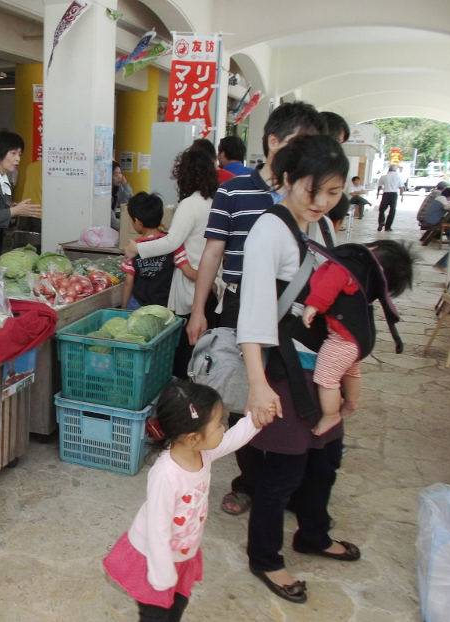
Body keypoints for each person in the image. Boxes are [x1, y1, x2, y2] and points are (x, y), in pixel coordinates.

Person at [184, 101, 327, 516]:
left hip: (296, 313)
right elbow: (213, 253)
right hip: (238, 304)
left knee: (292, 392)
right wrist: (199, 310)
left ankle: (284, 478)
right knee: (244, 391)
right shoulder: (233, 190)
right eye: (299, 143)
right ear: (274, 142)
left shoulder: (309, 194)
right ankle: (248, 481)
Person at [238, 134, 361, 605]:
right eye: (314, 190)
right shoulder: (268, 230)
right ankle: (265, 557)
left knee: (325, 460)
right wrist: (257, 383)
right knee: (284, 470)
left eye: (333, 192)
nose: (322, 202)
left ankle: (313, 534)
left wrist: (348, 369)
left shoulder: (323, 226)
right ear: (288, 178)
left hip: (321, 367)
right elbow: (253, 313)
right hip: (285, 371)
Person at [102, 380, 274, 622]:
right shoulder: (166, 475)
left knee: (178, 606)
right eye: (218, 424)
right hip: (154, 559)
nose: (224, 428)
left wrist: (256, 420)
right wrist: (162, 576)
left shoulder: (202, 453)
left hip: (182, 554)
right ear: (193, 438)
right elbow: (157, 529)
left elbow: (232, 438)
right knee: (156, 615)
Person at [303, 240, 415, 436]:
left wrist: (314, 305)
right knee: (351, 370)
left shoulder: (348, 267)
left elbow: (329, 284)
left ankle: (331, 415)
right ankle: (352, 401)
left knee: (326, 376)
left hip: (342, 340)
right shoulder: (367, 280)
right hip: (361, 340)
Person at [124, 148, 219, 377]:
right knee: (203, 349)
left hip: (191, 285)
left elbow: (172, 241)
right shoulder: (215, 202)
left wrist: (138, 248)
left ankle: (181, 391)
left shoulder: (190, 204)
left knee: (184, 351)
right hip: (211, 281)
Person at [120, 192, 176, 310]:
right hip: (165, 305)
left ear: (138, 222)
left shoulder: (132, 248)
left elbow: (128, 283)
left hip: (139, 305)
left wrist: (123, 309)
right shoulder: (171, 243)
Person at [375, 164, 405, 231]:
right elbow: (401, 188)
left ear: (389, 169)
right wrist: (402, 196)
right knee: (392, 211)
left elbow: (379, 186)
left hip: (385, 194)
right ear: (395, 170)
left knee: (382, 210)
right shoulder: (398, 177)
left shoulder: (383, 177)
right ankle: (388, 227)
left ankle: (381, 221)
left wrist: (377, 194)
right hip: (394, 195)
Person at [112, 162, 134, 230]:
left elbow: (128, 202)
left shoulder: (119, 188)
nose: (119, 177)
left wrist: (125, 185)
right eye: (116, 175)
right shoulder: (105, 192)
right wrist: (125, 227)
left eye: (120, 173)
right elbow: (112, 221)